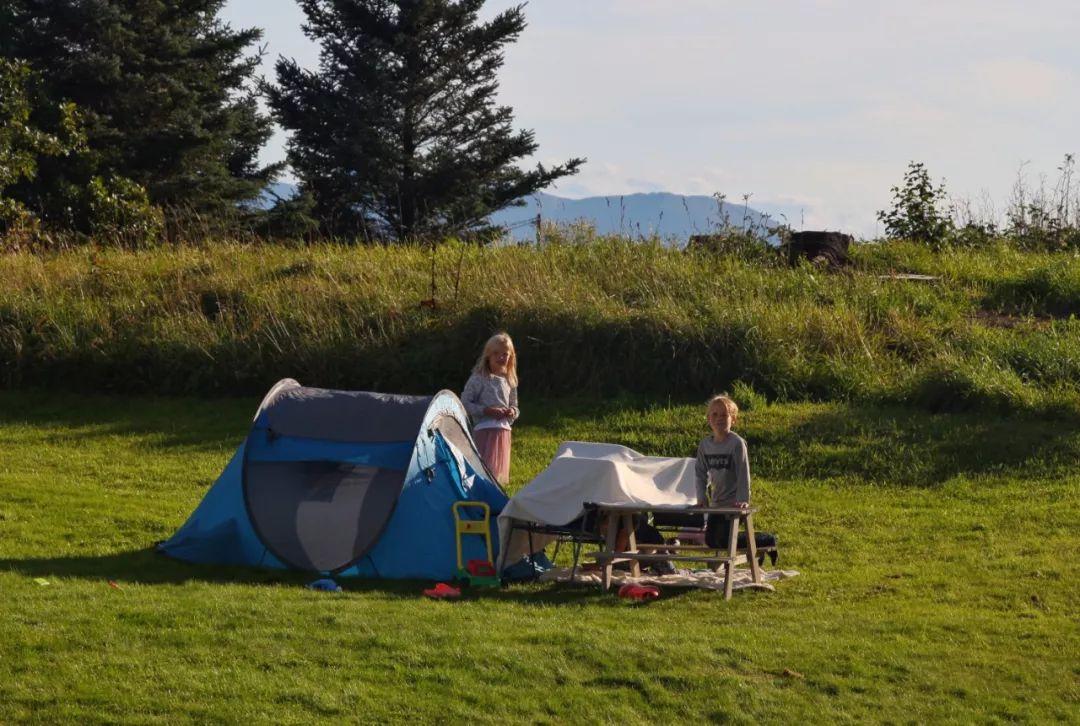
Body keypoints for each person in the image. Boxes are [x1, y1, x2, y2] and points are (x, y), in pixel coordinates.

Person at [694, 394, 777, 561]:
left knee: (726, 540)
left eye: (725, 415)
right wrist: (701, 497)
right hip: (717, 502)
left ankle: (767, 539)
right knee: (711, 540)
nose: (719, 419)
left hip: (733, 502)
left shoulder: (736, 443)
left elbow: (742, 472)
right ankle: (758, 543)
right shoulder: (705, 445)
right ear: (708, 419)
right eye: (715, 415)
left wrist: (743, 499)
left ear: (734, 419)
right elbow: (700, 473)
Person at [461, 332, 519, 485]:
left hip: (503, 431)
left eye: (505, 354)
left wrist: (512, 411)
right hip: (485, 430)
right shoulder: (478, 378)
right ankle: (478, 495)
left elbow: (515, 405)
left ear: (511, 356)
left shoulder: (510, 380)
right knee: (482, 468)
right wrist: (487, 410)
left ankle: (495, 497)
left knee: (498, 471)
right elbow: (465, 402)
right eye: (496, 353)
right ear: (488, 355)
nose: (501, 357)